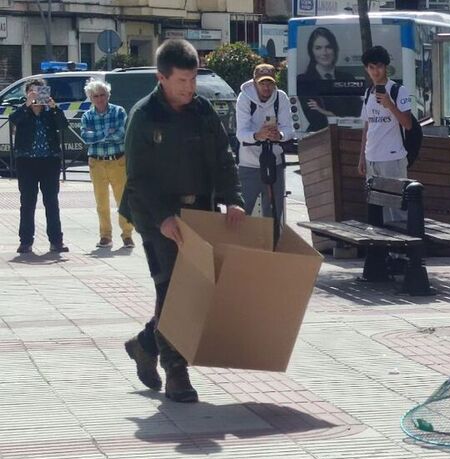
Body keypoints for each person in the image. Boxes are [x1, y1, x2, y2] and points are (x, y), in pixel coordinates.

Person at [119, 39, 245, 403]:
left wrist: (233, 199)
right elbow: (138, 179)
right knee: (174, 293)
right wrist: (162, 218)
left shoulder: (202, 111)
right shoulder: (144, 116)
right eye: (182, 82)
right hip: (156, 217)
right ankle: (177, 371)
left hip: (200, 214)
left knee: (198, 292)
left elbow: (224, 159)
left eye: (193, 80)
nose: (189, 89)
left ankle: (146, 342)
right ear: (162, 78)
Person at [12, 77, 68, 254]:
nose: (36, 96)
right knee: (27, 202)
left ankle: (56, 241)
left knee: (51, 202)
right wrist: (26, 105)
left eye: (40, 92)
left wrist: (54, 107)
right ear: (27, 94)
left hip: (49, 161)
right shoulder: (23, 112)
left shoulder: (50, 112)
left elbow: (63, 125)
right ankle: (26, 241)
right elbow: (13, 120)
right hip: (26, 162)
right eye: (32, 92)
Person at [358, 45, 413, 222]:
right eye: (371, 67)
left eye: (379, 66)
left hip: (392, 158)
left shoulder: (398, 90)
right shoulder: (368, 93)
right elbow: (367, 126)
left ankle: (399, 250)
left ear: (386, 67)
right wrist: (361, 157)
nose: (375, 71)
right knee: (377, 210)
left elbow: (408, 124)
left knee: (397, 210)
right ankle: (383, 249)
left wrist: (390, 105)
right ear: (366, 69)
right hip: (371, 158)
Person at [80, 79, 134, 249]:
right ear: (90, 97)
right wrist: (106, 132)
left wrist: (97, 134)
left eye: (102, 95)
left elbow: (120, 134)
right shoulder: (87, 115)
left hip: (117, 161)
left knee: (123, 201)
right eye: (95, 96)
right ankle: (105, 236)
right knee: (101, 203)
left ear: (108, 95)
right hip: (97, 163)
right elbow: (86, 138)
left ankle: (127, 235)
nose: (100, 99)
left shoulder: (118, 112)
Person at [235, 63, 293, 222]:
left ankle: (271, 245)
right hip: (249, 164)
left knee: (274, 215)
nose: (266, 88)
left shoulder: (281, 97)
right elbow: (241, 134)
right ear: (254, 82)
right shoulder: (244, 98)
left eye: (270, 83)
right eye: (262, 83)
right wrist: (257, 135)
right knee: (242, 211)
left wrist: (279, 136)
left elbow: (289, 130)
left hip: (275, 163)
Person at [296, 27, 362, 131]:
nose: (324, 53)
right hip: (319, 137)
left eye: (328, 47)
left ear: (335, 49)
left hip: (350, 134)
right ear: (311, 51)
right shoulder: (304, 81)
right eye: (318, 48)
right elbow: (315, 117)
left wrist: (327, 112)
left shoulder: (348, 78)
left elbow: (358, 112)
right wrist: (341, 114)